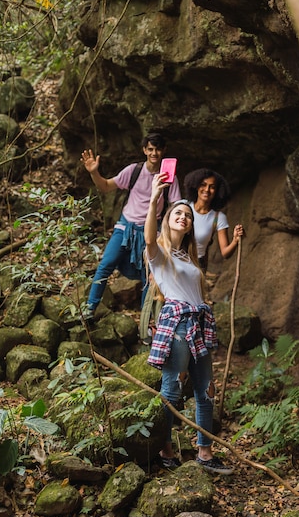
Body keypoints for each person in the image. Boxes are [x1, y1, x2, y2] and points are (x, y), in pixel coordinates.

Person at [144, 173, 233, 475]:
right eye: (177, 213)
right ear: (168, 219)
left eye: (187, 215)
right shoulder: (159, 253)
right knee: (172, 388)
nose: (183, 217)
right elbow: (147, 237)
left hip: (200, 321)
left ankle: (204, 453)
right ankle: (164, 447)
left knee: (206, 389)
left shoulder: (189, 257)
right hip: (178, 324)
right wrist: (156, 197)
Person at [81, 133, 181, 322]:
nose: (154, 153)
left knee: (149, 277)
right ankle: (89, 310)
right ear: (144, 150)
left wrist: (169, 236)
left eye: (158, 149)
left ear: (164, 151)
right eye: (150, 149)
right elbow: (105, 186)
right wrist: (94, 172)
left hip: (151, 231)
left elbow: (175, 207)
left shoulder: (170, 178)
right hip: (125, 227)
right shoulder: (134, 171)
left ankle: (145, 323)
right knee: (106, 264)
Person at [183, 168, 244, 272]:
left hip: (197, 266)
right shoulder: (182, 207)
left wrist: (235, 240)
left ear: (217, 191)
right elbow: (165, 237)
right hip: (174, 260)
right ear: (196, 186)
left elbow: (225, 253)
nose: (207, 189)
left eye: (212, 187)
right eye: (203, 184)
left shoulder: (218, 218)